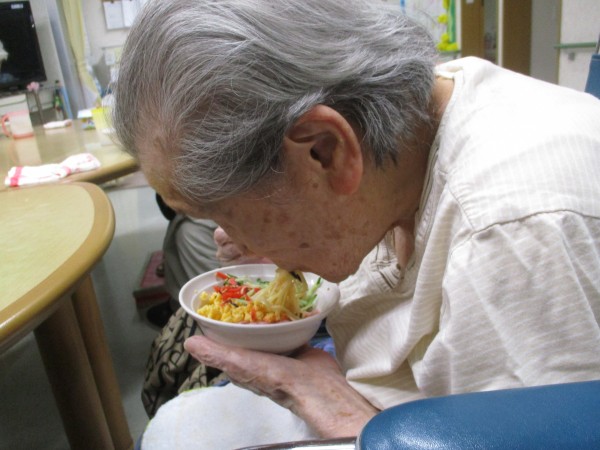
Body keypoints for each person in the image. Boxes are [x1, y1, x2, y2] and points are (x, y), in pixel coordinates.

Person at [113, 0, 600, 447]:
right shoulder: (421, 112)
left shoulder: (511, 236)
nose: (225, 237)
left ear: (325, 151)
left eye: (221, 213)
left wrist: (344, 414)